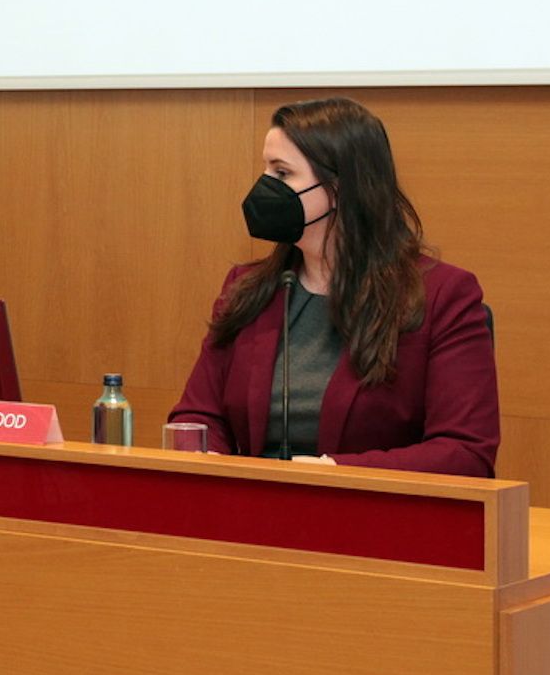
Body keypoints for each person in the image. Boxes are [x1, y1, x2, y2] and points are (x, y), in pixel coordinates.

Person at [168, 96, 498, 475]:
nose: (264, 187)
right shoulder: (248, 288)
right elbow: (196, 415)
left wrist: (334, 472)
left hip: (372, 518)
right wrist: (203, 456)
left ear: (340, 188)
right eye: (265, 171)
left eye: (282, 173)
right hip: (252, 513)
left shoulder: (443, 295)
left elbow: (465, 453)